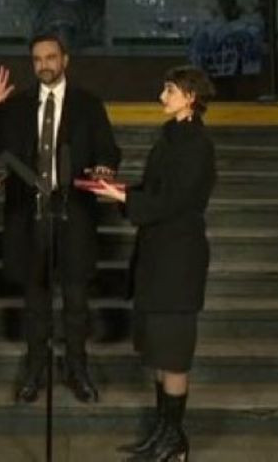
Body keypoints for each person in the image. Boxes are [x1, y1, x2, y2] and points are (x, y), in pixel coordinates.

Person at [0, 32, 121, 404]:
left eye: (51, 57)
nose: (44, 65)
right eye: (38, 59)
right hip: (30, 217)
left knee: (76, 301)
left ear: (65, 60)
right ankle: (35, 370)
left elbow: (108, 149)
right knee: (35, 301)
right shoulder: (17, 104)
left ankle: (78, 370)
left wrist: (105, 167)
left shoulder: (88, 104)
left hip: (74, 214)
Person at [90, 66, 217, 462]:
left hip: (178, 261)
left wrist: (126, 198)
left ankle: (174, 440)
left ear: (190, 97)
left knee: (174, 355)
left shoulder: (197, 145)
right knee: (161, 351)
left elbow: (173, 201)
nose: (162, 96)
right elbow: (154, 190)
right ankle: (163, 434)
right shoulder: (171, 137)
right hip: (159, 257)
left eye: (170, 90)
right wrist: (118, 190)